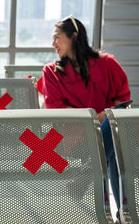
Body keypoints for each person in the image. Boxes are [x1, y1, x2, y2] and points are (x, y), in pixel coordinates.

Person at [42, 15, 131, 220]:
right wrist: (98, 117)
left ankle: (89, 171)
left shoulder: (108, 64)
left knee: (112, 133)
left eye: (57, 37)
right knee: (114, 150)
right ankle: (123, 216)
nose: (53, 43)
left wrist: (103, 118)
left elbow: (124, 102)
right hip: (76, 139)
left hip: (108, 133)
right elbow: (57, 111)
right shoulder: (51, 72)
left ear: (74, 36)